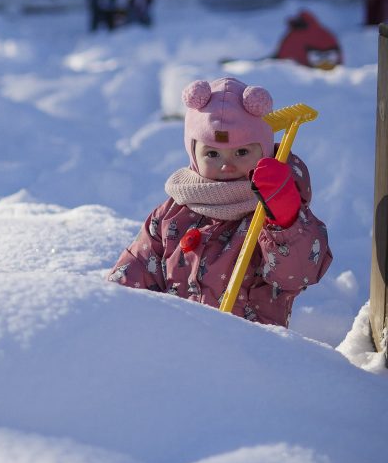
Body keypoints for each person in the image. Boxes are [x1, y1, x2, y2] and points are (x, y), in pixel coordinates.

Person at [107, 77, 332, 327]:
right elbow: (136, 272)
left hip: (249, 351)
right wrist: (114, 312)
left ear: (264, 151)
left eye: (242, 152)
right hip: (178, 344)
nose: (227, 164)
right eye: (212, 154)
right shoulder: (172, 212)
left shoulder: (270, 212)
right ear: (193, 153)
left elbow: (298, 274)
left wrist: (285, 218)